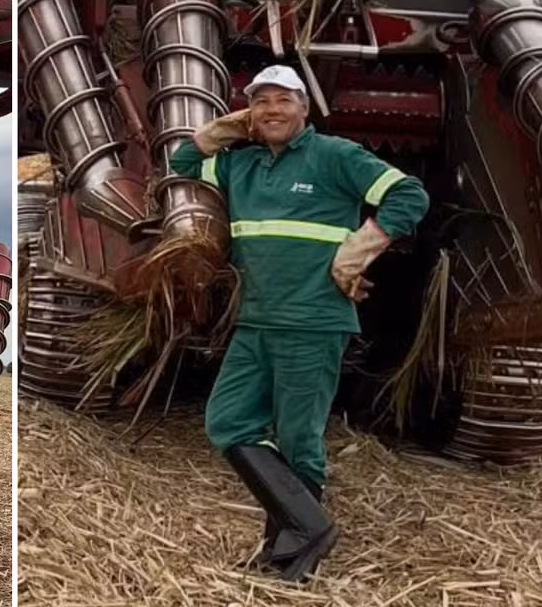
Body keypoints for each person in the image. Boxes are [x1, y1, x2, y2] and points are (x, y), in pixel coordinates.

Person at [169, 65, 430, 581]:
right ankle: (309, 527)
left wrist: (359, 249)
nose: (272, 110)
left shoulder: (335, 156)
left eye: (283, 100)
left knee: (298, 439)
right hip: (256, 321)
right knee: (227, 420)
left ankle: (288, 552)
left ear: (304, 108)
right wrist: (223, 129)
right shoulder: (240, 165)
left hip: (313, 321)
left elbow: (409, 195)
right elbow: (181, 163)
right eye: (261, 101)